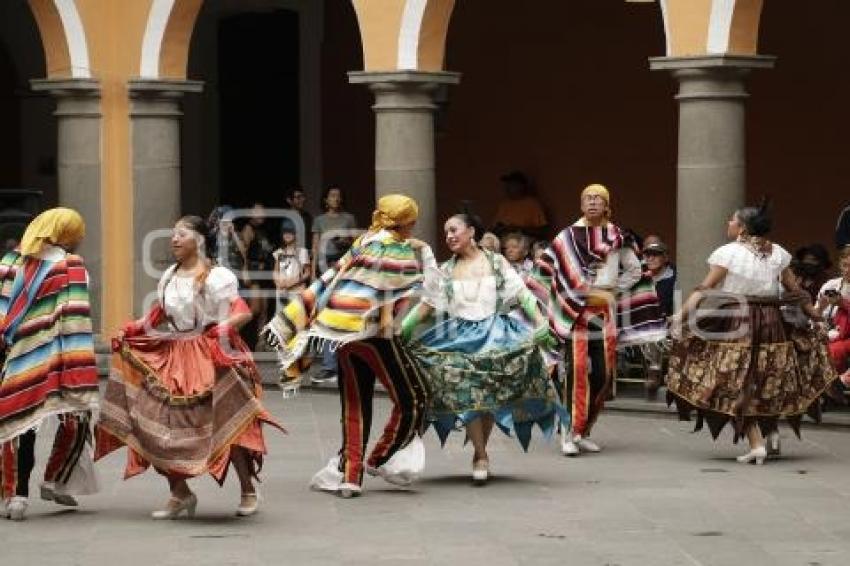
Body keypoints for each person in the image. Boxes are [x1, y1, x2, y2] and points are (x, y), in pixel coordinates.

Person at [95, 216, 283, 518]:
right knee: (160, 425)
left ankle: (248, 489)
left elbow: (242, 311)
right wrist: (132, 329)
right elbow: (158, 315)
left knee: (227, 423)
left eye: (181, 234)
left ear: (199, 240)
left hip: (212, 354)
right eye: (172, 234)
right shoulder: (169, 275)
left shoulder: (216, 276)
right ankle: (179, 493)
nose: (174, 239)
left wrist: (220, 330)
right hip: (176, 353)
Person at [265, 194, 430, 498]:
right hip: (373, 336)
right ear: (405, 222)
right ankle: (379, 458)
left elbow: (332, 281)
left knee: (355, 404)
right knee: (416, 396)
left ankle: (350, 476)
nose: (414, 227)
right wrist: (388, 325)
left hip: (340, 333)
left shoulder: (364, 242)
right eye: (412, 221)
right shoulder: (395, 248)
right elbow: (384, 292)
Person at [666, 202, 837, 465]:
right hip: (771, 322)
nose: (728, 224)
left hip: (739, 321)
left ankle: (758, 443)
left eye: (731, 220)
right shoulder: (778, 252)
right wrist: (814, 316)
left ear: (743, 227)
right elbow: (796, 292)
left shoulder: (729, 253)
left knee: (733, 380)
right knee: (766, 379)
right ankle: (771, 432)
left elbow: (704, 289)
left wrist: (681, 316)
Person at [399, 213, 564, 484]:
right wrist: (402, 329)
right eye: (446, 232)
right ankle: (480, 454)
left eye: (454, 230)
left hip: (496, 335)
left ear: (471, 231)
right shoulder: (445, 270)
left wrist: (540, 322)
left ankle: (480, 452)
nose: (449, 236)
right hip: (459, 337)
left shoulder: (496, 262)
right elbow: (427, 305)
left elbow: (522, 294)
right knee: (469, 393)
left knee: (487, 399)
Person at [527, 184, 666, 457]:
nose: (592, 203)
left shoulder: (617, 235)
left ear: (607, 205)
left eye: (598, 199)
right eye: (588, 199)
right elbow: (545, 270)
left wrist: (613, 288)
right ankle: (569, 431)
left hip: (604, 312)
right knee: (577, 371)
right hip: (574, 312)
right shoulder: (565, 237)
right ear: (581, 205)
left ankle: (584, 429)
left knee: (603, 374)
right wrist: (558, 297)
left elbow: (636, 269)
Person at [0, 208, 100, 521]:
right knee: (77, 416)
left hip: (14, 354)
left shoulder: (8, 263)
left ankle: (16, 495)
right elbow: (76, 317)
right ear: (67, 235)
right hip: (60, 356)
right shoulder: (72, 266)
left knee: (19, 422)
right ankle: (57, 478)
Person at [310, 186, 358, 385]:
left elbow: (357, 245)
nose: (335, 198)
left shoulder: (348, 218)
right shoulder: (319, 221)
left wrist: (345, 241)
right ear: (325, 199)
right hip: (326, 269)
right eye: (332, 195)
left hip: (345, 268)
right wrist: (313, 274)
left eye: (338, 195)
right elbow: (315, 247)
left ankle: (339, 364)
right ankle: (331, 365)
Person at [817, 246, 850, 385]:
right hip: (832, 332)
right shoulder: (832, 285)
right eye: (845, 265)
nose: (848, 270)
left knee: (835, 350)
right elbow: (817, 314)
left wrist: (843, 304)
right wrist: (820, 309)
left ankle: (837, 383)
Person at [491, 171, 549, 240]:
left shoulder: (532, 204)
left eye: (512, 185)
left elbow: (543, 231)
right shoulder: (504, 204)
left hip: (525, 244)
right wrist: (500, 229)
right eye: (507, 185)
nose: (507, 188)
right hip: (505, 244)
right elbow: (494, 227)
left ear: (521, 186)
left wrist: (517, 229)